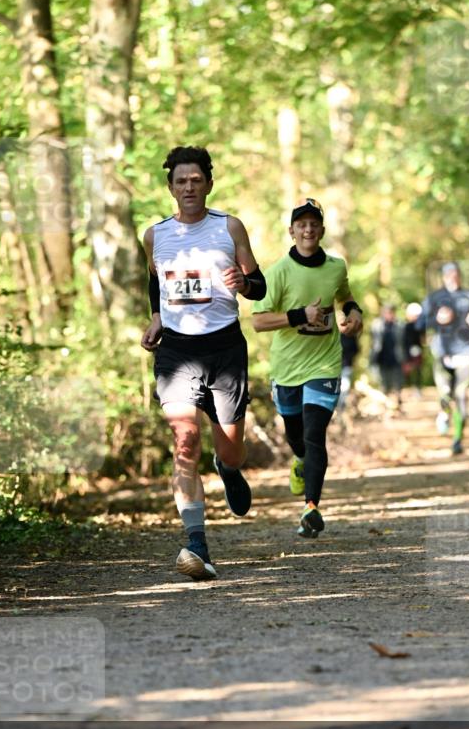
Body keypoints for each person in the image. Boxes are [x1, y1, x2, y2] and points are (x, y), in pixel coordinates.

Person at [141, 145, 266, 581]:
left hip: (225, 350)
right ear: (170, 187)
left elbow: (259, 287)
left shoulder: (229, 227)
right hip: (177, 352)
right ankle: (196, 542)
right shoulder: (155, 235)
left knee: (230, 447)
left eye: (196, 180)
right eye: (181, 181)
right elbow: (154, 283)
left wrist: (243, 281)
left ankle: (228, 467)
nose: (189, 187)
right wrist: (157, 317)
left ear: (208, 183)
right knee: (185, 441)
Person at [251, 199, 362, 538]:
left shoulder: (335, 266)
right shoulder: (278, 273)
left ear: (322, 230)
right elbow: (257, 321)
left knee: (315, 436)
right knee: (296, 437)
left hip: (325, 364)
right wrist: (301, 315)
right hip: (287, 368)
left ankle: (310, 508)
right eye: (302, 224)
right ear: (292, 230)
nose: (309, 229)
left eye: (314, 223)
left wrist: (354, 313)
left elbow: (344, 295)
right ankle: (299, 463)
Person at [416, 261, 469, 455]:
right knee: (445, 393)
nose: (453, 276)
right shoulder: (435, 298)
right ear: (443, 276)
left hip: (464, 351)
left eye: (455, 273)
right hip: (442, 352)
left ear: (459, 275)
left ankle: (458, 440)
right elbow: (419, 323)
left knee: (461, 395)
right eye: (449, 273)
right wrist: (437, 319)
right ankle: (443, 413)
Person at [369, 303, 404, 410]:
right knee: (384, 383)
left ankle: (398, 404)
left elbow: (403, 342)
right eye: (387, 313)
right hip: (381, 358)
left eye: (391, 313)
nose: (389, 315)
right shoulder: (376, 324)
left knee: (397, 383)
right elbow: (374, 341)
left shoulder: (399, 325)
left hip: (396, 358)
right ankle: (385, 405)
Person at [402, 302, 424, 397]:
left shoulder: (419, 326)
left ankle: (417, 388)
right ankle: (407, 389)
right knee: (407, 371)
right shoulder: (406, 326)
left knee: (417, 371)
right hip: (407, 352)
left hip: (417, 351)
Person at [338, 332, 360, 412]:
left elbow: (356, 349)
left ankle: (341, 407)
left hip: (346, 366)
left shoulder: (350, 335)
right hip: (333, 368)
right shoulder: (332, 334)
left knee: (344, 388)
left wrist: (349, 358)